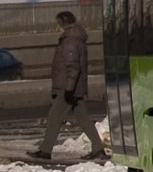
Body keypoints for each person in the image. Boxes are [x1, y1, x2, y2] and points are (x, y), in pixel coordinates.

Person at [31, 9, 106, 163]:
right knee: (83, 118)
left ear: (62, 23)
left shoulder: (70, 42)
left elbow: (73, 67)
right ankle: (98, 148)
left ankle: (45, 151)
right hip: (75, 88)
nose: (57, 27)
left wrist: (68, 89)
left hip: (69, 89)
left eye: (58, 23)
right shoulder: (76, 39)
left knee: (54, 117)